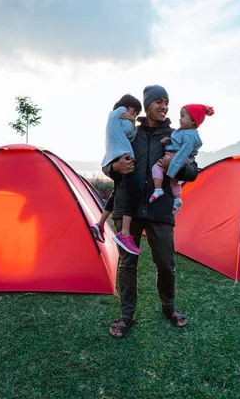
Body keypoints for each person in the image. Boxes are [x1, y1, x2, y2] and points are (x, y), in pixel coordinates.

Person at [103, 85, 199, 338]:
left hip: (160, 207)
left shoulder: (176, 135)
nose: (164, 106)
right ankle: (126, 315)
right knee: (127, 264)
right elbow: (109, 160)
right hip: (129, 208)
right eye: (158, 101)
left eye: (167, 102)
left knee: (166, 264)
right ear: (147, 105)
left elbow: (193, 171)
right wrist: (114, 167)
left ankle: (169, 307)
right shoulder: (130, 131)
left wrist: (175, 167)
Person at [90, 94, 143, 255]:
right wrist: (131, 121)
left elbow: (129, 133)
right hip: (123, 157)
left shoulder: (113, 118)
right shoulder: (120, 111)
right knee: (136, 190)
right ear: (129, 106)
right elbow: (129, 131)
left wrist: (131, 121)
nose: (134, 116)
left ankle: (99, 224)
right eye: (135, 112)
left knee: (116, 191)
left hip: (115, 157)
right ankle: (125, 233)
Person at [148, 104, 213, 215]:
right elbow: (177, 143)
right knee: (174, 182)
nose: (180, 119)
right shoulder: (184, 132)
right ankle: (177, 199)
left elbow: (183, 152)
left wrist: (172, 168)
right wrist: (168, 141)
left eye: (183, 116)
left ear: (193, 121)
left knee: (157, 168)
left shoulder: (190, 135)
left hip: (176, 158)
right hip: (178, 159)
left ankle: (158, 189)